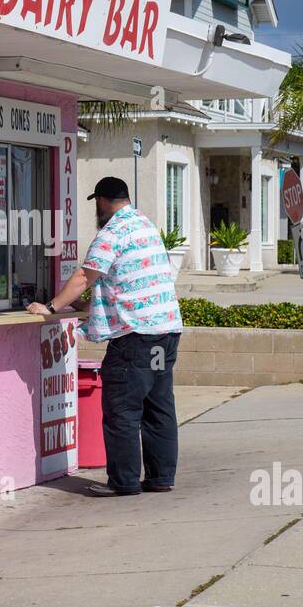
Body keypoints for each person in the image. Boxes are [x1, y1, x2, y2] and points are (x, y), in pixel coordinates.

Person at [26, 176, 183, 496]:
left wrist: (52, 308)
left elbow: (85, 276)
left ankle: (124, 482)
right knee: (159, 407)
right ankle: (160, 478)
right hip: (165, 331)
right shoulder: (145, 225)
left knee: (122, 410)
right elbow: (123, 279)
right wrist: (87, 305)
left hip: (135, 335)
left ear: (101, 201)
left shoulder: (112, 232)